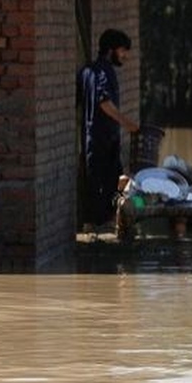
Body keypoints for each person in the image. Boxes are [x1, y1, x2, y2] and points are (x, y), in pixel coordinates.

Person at [79, 28, 140, 231]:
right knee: (104, 188)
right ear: (111, 50)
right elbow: (104, 102)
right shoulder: (103, 72)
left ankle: (98, 226)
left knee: (108, 185)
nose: (125, 56)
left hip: (95, 140)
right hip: (101, 140)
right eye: (122, 51)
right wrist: (127, 123)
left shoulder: (87, 71)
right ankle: (100, 229)